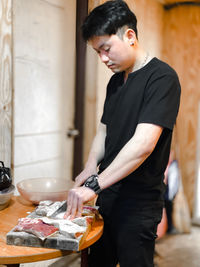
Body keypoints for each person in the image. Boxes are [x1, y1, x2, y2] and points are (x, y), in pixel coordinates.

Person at [64, 1, 181, 266]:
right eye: (97, 52)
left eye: (106, 49)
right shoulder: (116, 80)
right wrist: (90, 166)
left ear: (129, 36)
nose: (103, 59)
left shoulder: (162, 78)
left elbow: (143, 145)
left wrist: (94, 185)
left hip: (138, 205)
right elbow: (104, 129)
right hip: (108, 197)